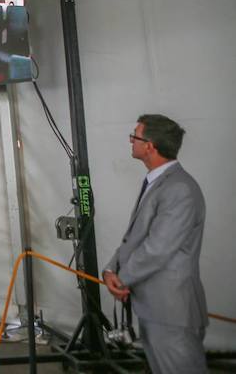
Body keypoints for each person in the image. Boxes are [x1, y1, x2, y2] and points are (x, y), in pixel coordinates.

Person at [103, 115, 207, 373]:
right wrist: (109, 270)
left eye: (134, 136)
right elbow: (136, 238)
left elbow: (157, 248)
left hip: (171, 312)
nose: (131, 141)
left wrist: (122, 278)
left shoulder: (179, 188)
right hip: (157, 309)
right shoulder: (158, 182)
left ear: (149, 145)